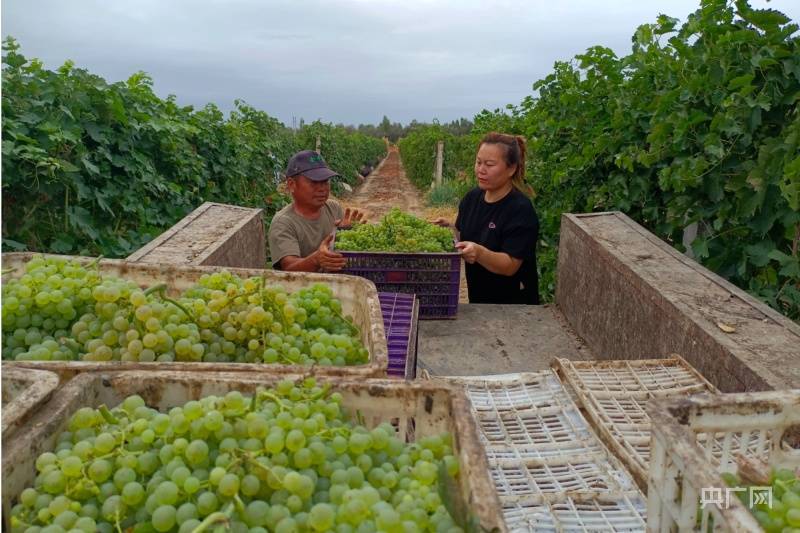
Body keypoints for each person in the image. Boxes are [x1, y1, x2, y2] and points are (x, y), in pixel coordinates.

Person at [435, 132, 540, 304]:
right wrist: (450, 229)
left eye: (489, 164)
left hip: (515, 310)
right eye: (478, 162)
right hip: (480, 302)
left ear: (511, 169)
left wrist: (479, 253)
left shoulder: (520, 209)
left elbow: (510, 266)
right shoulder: (471, 199)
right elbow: (466, 237)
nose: (481, 170)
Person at [268, 150, 364, 272]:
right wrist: (316, 260)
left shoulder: (333, 208)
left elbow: (340, 253)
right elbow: (289, 268)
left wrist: (344, 234)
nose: (322, 188)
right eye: (314, 182)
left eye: (325, 181)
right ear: (292, 184)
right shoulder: (283, 223)